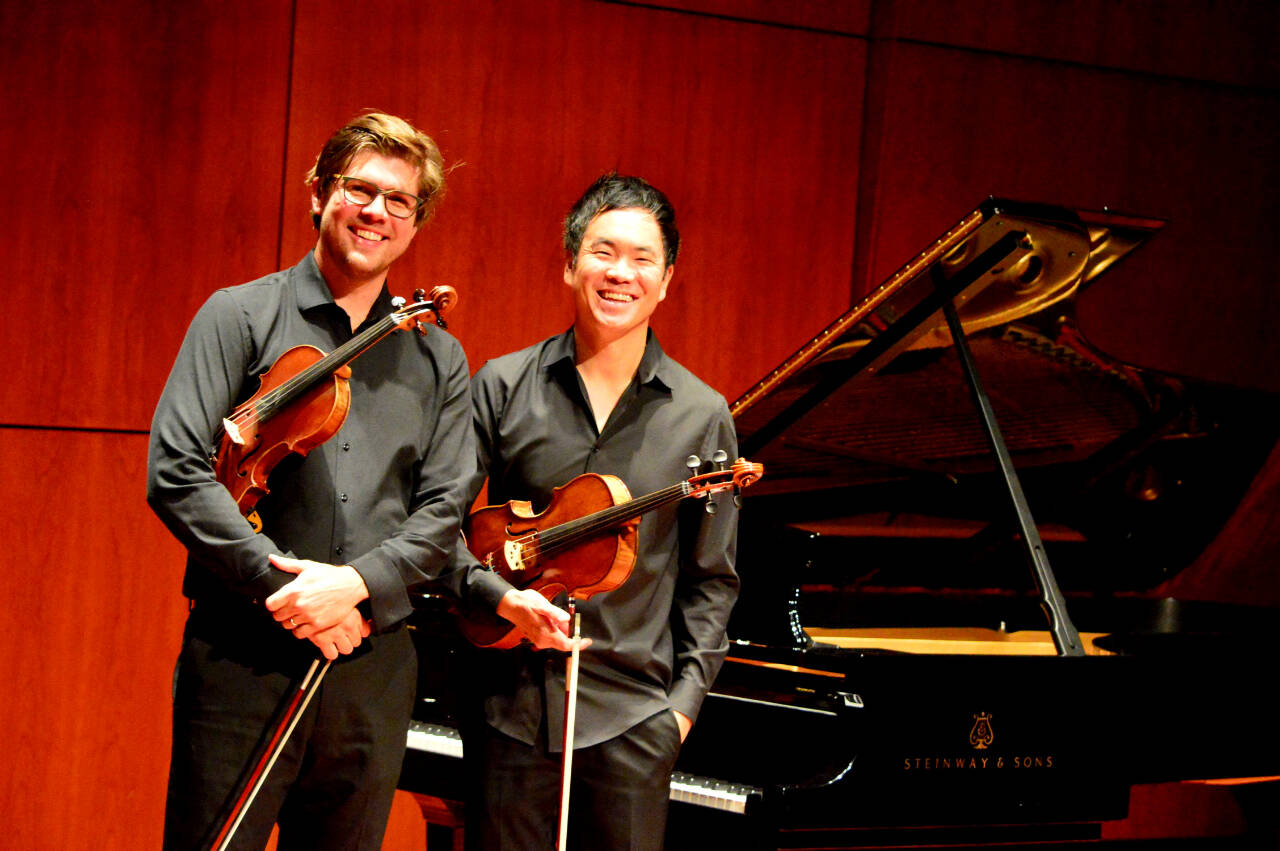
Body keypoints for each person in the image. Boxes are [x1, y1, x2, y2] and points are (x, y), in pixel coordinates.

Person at [147, 111, 473, 850]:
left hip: (371, 666)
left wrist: (352, 587)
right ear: (320, 193)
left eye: (400, 200)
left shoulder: (438, 359)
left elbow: (442, 515)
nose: (377, 212)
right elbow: (176, 470)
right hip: (241, 658)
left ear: (417, 221)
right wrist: (290, 591)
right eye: (361, 189)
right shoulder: (239, 315)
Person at [446, 173, 740, 849]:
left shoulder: (702, 417)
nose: (621, 273)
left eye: (643, 259)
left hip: (635, 723)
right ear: (570, 263)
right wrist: (501, 598)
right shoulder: (503, 385)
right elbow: (442, 531)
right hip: (509, 711)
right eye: (604, 251)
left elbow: (713, 580)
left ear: (667, 280)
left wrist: (680, 713)